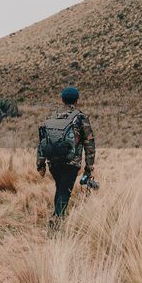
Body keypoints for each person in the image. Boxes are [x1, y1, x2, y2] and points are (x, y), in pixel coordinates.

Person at [36, 86, 96, 220]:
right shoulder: (80, 118)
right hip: (71, 162)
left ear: (62, 100)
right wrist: (89, 166)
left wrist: (40, 163)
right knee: (64, 191)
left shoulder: (52, 117)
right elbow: (89, 143)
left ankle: (57, 215)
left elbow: (42, 141)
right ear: (76, 100)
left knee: (60, 188)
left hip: (53, 161)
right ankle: (57, 219)